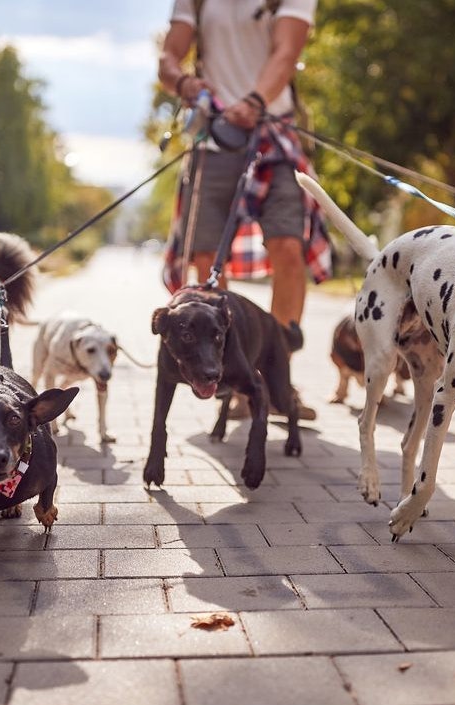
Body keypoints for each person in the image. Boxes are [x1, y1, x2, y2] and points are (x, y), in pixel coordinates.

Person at [158, 0, 331, 420]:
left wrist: (255, 99)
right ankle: (231, 378)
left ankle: (277, 379)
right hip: (215, 140)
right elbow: (167, 58)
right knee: (206, 263)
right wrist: (184, 83)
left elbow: (286, 53)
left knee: (289, 246)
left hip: (274, 130)